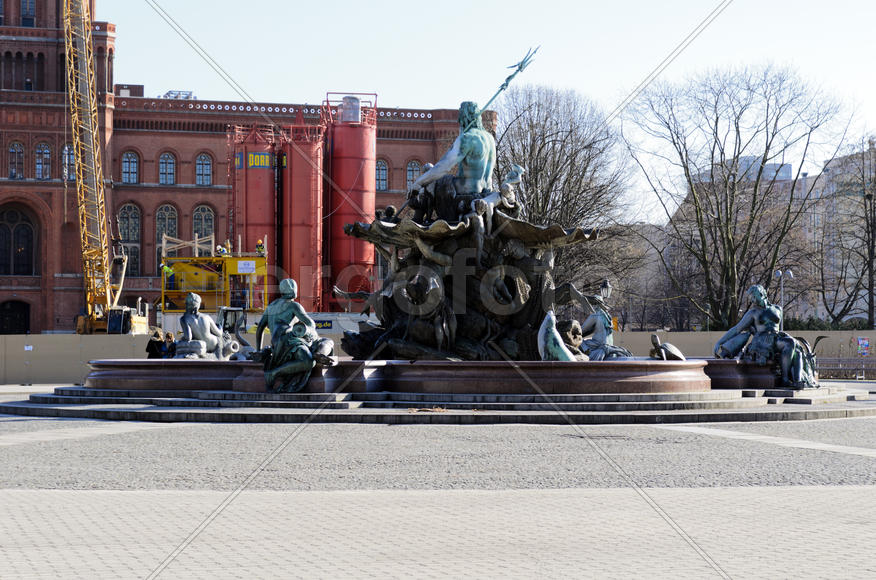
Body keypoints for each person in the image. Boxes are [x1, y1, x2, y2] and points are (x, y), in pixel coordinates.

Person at [714, 284, 817, 389]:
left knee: (794, 347)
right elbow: (736, 329)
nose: (752, 300)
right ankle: (785, 379)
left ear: (761, 293)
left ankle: (792, 380)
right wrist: (720, 342)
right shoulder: (752, 313)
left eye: (754, 297)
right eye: (751, 298)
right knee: (791, 343)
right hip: (761, 342)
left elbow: (777, 328)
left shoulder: (778, 309)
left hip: (776, 338)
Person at [408, 101, 497, 222]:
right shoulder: (490, 139)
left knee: (432, 181)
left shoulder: (467, 138)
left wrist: (419, 183)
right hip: (485, 190)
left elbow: (443, 167)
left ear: (463, 118)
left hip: (465, 190)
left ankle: (418, 220)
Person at [255, 278, 318, 392]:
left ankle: (275, 373)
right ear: (294, 290)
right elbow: (310, 323)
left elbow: (260, 329)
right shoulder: (293, 305)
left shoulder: (271, 306)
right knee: (308, 361)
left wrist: (258, 350)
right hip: (289, 342)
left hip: (276, 345)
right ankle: (274, 374)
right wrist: (308, 332)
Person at [178, 292, 224, 359]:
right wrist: (220, 327)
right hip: (214, 343)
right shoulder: (206, 317)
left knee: (180, 344)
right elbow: (219, 333)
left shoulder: (184, 319)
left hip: (202, 345)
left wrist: (182, 339)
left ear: (187, 305)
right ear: (198, 305)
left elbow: (188, 337)